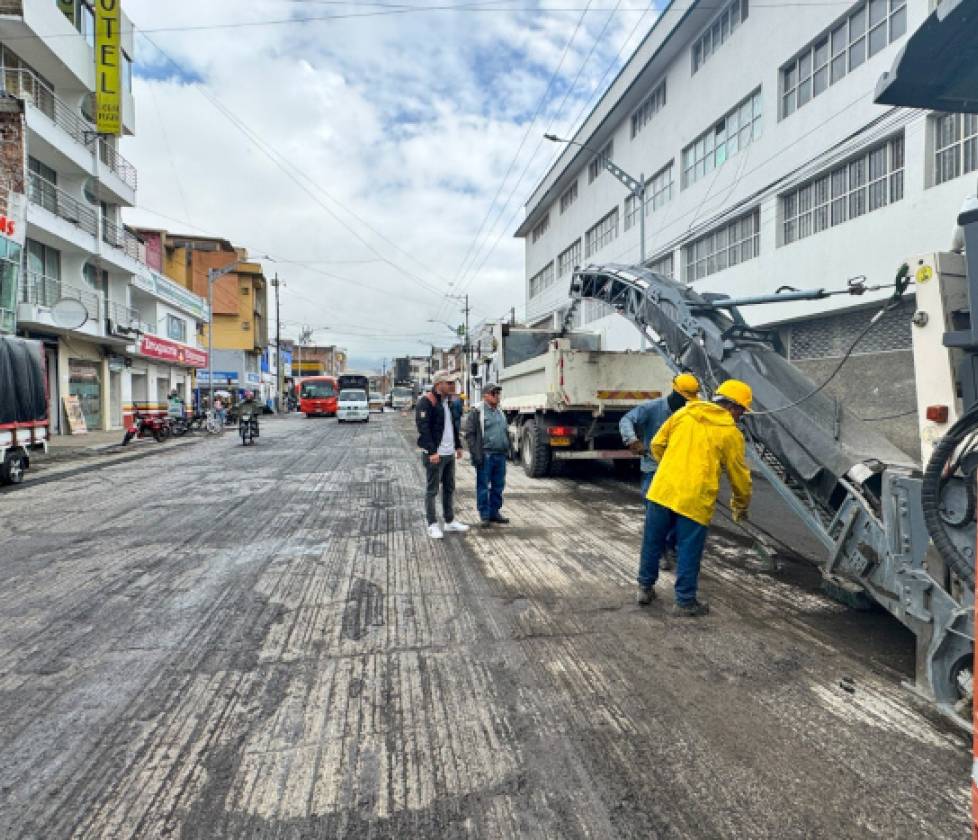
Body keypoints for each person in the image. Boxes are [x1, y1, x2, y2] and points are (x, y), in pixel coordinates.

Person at [636, 379, 753, 616]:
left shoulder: (685, 414)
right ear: (734, 407)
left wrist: (671, 466)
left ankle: (644, 589)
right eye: (742, 411)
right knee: (689, 548)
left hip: (662, 490)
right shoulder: (730, 433)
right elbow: (739, 476)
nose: (741, 416)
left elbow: (657, 443)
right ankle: (684, 602)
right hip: (694, 500)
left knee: (652, 541)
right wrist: (740, 506)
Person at [619, 373, 701, 569]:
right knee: (656, 514)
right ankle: (662, 551)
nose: (687, 403)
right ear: (676, 393)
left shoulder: (691, 412)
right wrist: (632, 440)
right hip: (654, 468)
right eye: (685, 399)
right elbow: (626, 420)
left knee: (678, 512)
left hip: (680, 470)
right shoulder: (652, 408)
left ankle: (670, 545)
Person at [416, 370, 469, 539]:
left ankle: (449, 521)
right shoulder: (426, 402)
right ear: (439, 385)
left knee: (449, 488)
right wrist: (432, 451)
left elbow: (452, 426)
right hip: (435, 454)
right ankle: (432, 524)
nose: (453, 386)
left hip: (448, 453)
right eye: (449, 383)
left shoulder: (449, 402)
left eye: (453, 383)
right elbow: (423, 429)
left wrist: (458, 445)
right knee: (432, 490)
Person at [464, 383, 509, 527]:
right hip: (486, 455)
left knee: (498, 486)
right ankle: (484, 515)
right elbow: (470, 434)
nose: (497, 396)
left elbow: (504, 432)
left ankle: (494, 512)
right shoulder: (477, 412)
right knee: (483, 486)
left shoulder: (500, 412)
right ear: (485, 395)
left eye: (498, 393)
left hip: (500, 455)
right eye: (494, 393)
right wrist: (476, 454)